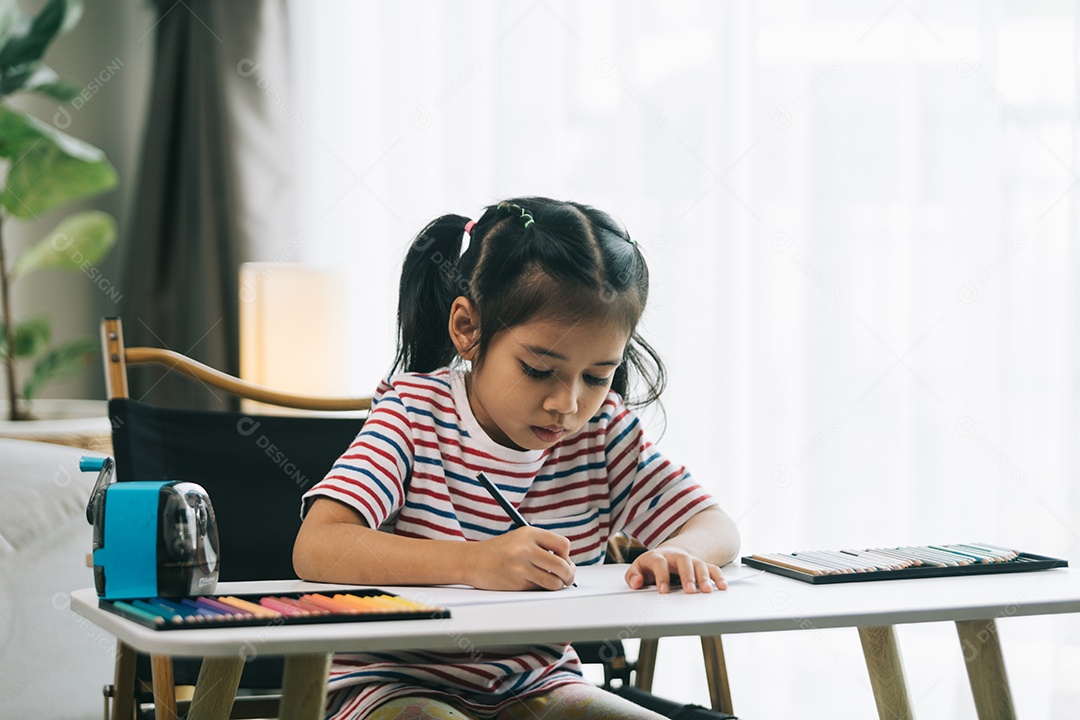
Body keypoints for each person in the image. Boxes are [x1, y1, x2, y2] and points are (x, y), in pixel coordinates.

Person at [293, 197, 741, 720]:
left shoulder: (602, 434)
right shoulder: (413, 414)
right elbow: (318, 545)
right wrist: (475, 563)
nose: (567, 404)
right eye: (538, 370)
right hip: (387, 684)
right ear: (468, 328)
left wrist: (680, 552)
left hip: (537, 681)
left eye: (597, 376)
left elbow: (716, 526)